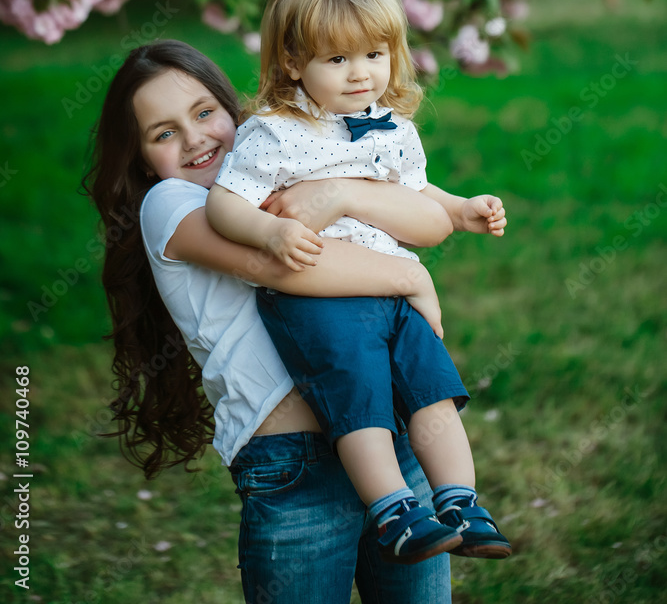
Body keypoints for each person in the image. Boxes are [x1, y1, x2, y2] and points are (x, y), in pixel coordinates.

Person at [84, 38, 507, 602]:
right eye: (164, 133)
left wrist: (339, 192)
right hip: (294, 467)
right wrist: (411, 277)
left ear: (234, 112)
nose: (195, 140)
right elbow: (280, 267)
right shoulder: (171, 204)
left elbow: (422, 215)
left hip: (392, 439)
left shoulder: (281, 165)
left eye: (205, 112)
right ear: (140, 157)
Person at [206, 0, 512, 564]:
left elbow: (415, 191)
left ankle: (460, 501)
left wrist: (459, 208)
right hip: (320, 291)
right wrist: (269, 232)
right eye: (338, 59)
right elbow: (224, 203)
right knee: (361, 395)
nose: (361, 74)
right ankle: (394, 510)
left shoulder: (392, 128)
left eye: (375, 54)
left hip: (391, 290)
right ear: (294, 63)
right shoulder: (271, 132)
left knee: (433, 392)